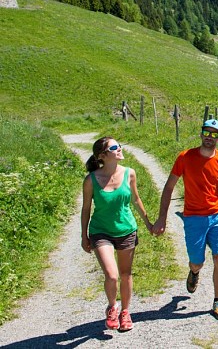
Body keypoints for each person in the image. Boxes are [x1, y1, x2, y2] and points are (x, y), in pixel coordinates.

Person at [152, 119, 218, 320]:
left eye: (214, 134)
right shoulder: (185, 157)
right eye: (206, 133)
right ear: (200, 134)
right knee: (196, 262)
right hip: (193, 217)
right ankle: (194, 272)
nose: (209, 137)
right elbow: (169, 187)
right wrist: (162, 218)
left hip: (217, 214)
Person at [81, 137, 152, 332]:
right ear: (102, 156)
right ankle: (113, 306)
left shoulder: (130, 174)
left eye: (119, 145)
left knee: (125, 274)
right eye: (114, 147)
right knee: (112, 275)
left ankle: (126, 312)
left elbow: (136, 200)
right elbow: (86, 209)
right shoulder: (91, 180)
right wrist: (84, 236)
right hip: (100, 231)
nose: (119, 148)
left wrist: (149, 224)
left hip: (126, 230)